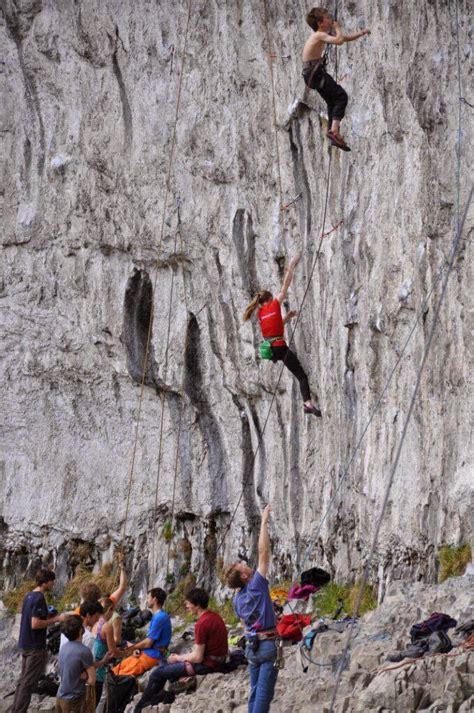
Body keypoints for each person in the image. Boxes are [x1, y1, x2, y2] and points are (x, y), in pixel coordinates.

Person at [243, 253, 321, 416]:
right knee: (301, 376)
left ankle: (307, 403)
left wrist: (287, 318)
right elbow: (286, 285)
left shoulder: (261, 313)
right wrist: (291, 266)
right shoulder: (275, 303)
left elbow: (274, 329)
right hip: (279, 348)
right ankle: (307, 404)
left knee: (294, 368)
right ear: (270, 298)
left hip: (271, 350)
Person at [133, 588, 228, 712]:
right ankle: (177, 683)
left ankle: (143, 705)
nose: (186, 606)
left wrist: (179, 658)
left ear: (197, 605)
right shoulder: (214, 616)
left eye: (188, 603)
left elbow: (198, 657)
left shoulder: (202, 624)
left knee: (157, 673)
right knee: (165, 661)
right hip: (217, 660)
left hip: (208, 665)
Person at [224, 506, 277, 713]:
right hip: (266, 645)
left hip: (251, 647)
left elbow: (245, 621)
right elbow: (264, 552)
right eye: (242, 566)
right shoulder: (256, 585)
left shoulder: (238, 600)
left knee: (254, 691)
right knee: (264, 695)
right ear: (245, 577)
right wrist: (264, 522)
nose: (246, 564)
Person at [302, 7, 370, 151]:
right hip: (315, 73)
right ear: (320, 23)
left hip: (312, 73)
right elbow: (339, 41)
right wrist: (338, 28)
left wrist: (361, 33)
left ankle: (334, 131)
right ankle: (334, 131)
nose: (330, 19)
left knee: (332, 101)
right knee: (341, 97)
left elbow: (344, 38)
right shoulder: (318, 35)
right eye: (327, 18)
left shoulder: (321, 35)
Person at [11, 568, 66, 713]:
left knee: (23, 681)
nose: (53, 584)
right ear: (46, 582)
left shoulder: (29, 595)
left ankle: (15, 709)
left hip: (25, 643)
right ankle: (19, 710)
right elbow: (35, 624)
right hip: (35, 646)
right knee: (28, 683)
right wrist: (57, 619)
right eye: (52, 581)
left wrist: (47, 616)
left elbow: (31, 618)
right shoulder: (39, 598)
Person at [112, 588, 171, 676]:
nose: (147, 600)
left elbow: (148, 643)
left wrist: (132, 648)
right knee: (114, 670)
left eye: (148, 598)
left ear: (154, 599)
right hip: (146, 652)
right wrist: (137, 648)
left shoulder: (159, 618)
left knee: (119, 675)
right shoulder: (159, 615)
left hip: (152, 656)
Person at [56, 615, 96, 713]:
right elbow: (92, 680)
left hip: (60, 696)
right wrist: (86, 676)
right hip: (74, 700)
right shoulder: (84, 651)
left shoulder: (63, 648)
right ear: (80, 631)